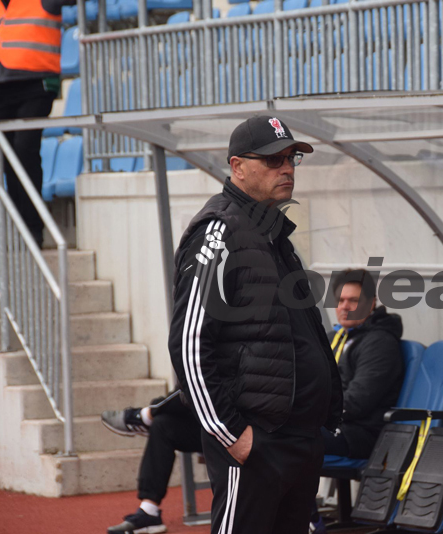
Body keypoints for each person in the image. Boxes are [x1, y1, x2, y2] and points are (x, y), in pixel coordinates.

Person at [169, 115, 343, 534]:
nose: (286, 169)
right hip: (257, 441)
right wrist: (232, 434)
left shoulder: (273, 233)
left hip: (299, 439)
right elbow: (189, 344)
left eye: (291, 159)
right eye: (272, 160)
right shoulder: (219, 230)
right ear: (237, 167)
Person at [312, 268, 405, 533]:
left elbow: (356, 403)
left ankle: (307, 521)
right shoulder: (333, 338)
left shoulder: (380, 343)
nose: (345, 307)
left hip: (363, 433)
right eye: (340, 301)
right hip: (332, 424)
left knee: (291, 438)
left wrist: (307, 415)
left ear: (371, 303)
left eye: (353, 300)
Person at [0, 0, 75, 247]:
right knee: (6, 157)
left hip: (37, 84)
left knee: (25, 149)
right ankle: (18, 229)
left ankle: (32, 229)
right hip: (0, 87)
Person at [101, 391, 201, 534]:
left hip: (230, 429)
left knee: (190, 392)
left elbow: (192, 390)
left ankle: (143, 417)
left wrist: (153, 409)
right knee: (162, 425)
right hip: (211, 424)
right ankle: (149, 512)